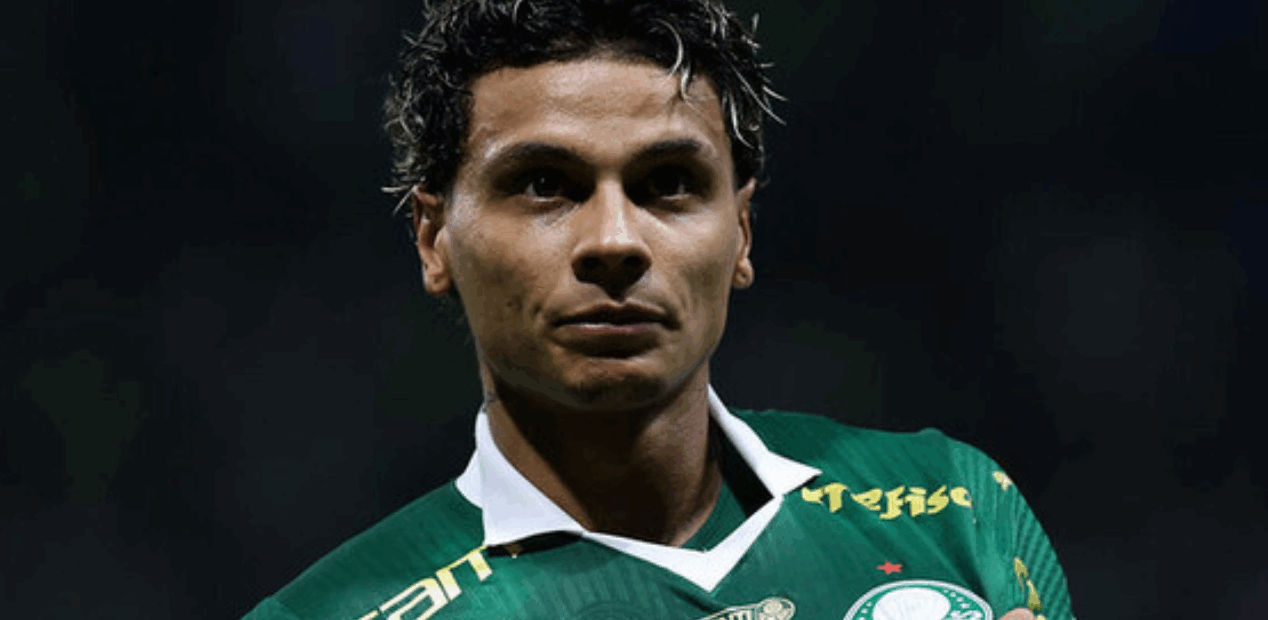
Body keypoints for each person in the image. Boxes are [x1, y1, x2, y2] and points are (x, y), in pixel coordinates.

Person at [242, 1, 1074, 619]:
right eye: (544, 184)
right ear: (435, 241)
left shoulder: (953, 505)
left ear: (741, 230)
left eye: (668, 183)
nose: (614, 240)